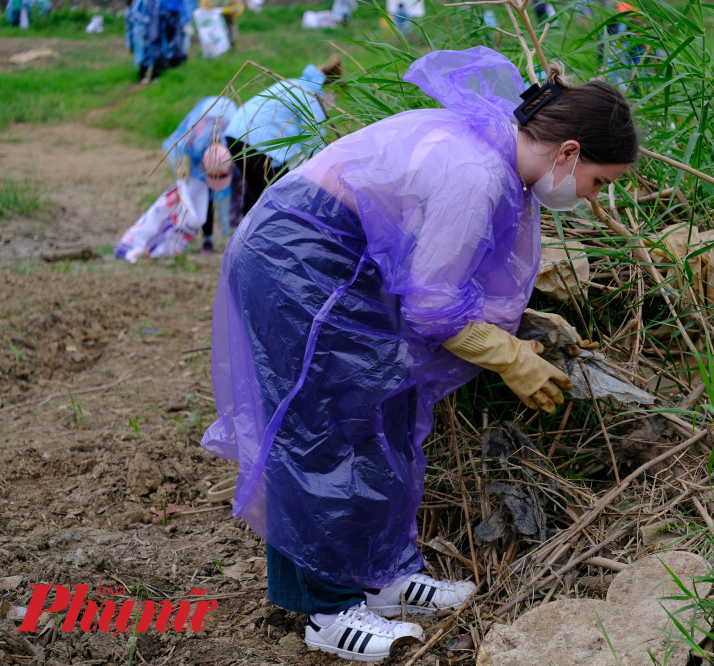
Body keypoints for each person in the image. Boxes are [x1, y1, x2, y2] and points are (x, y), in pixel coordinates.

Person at [200, 47, 637, 662]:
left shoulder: (495, 151)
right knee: (324, 426)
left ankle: (385, 575)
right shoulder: (478, 173)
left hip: (346, 267)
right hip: (299, 264)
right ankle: (325, 609)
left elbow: (439, 276)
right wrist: (509, 356)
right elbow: (433, 309)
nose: (593, 198)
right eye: (599, 182)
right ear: (568, 153)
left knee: (388, 413)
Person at [222, 56, 342, 218]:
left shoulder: (294, 84)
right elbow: (315, 141)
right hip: (258, 143)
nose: (333, 102)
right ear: (330, 88)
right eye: (335, 95)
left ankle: (246, 235)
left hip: (235, 134)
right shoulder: (312, 97)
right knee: (283, 195)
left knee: (257, 192)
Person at [162, 96, 240, 252]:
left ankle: (236, 236)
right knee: (206, 200)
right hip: (202, 161)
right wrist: (184, 162)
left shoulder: (234, 136)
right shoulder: (196, 133)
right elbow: (182, 144)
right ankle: (207, 240)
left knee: (235, 198)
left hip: (225, 159)